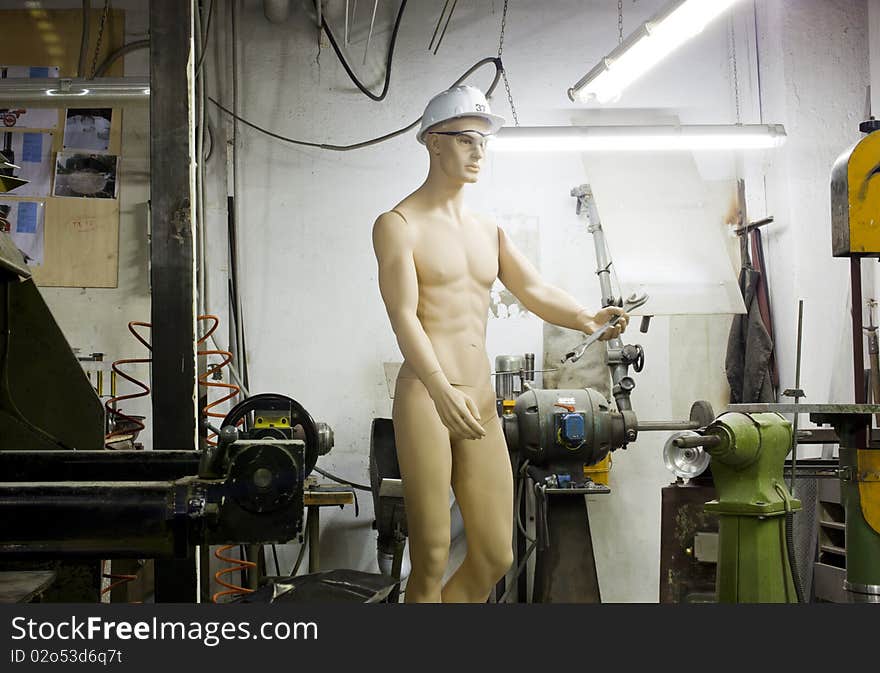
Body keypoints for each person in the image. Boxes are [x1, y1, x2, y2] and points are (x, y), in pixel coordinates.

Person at [372, 85, 628, 603]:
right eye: (466, 139)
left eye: (484, 142)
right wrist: (441, 390)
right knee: (432, 555)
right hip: (428, 397)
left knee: (495, 554)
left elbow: (532, 290)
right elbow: (403, 319)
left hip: (481, 401)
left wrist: (586, 317)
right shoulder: (398, 225)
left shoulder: (487, 230)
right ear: (432, 143)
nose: (478, 152)